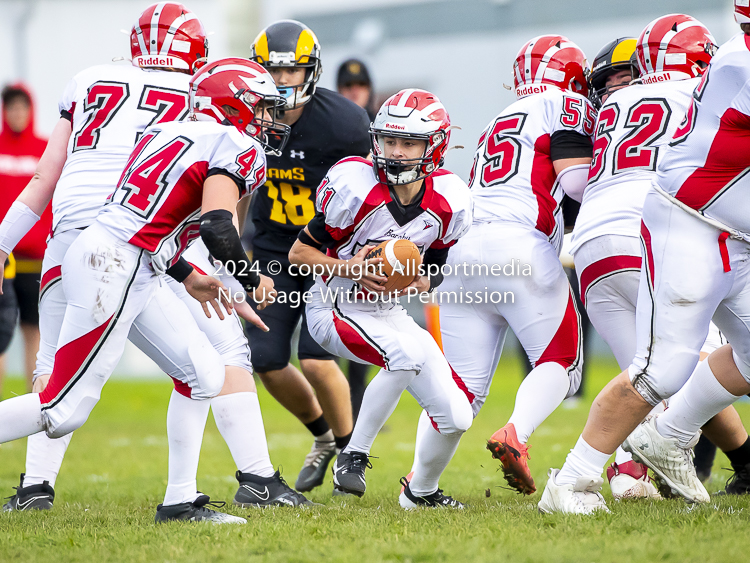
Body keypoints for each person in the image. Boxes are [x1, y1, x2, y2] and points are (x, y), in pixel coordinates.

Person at [0, 4, 306, 522]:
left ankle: (179, 501)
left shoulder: (153, 122)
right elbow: (213, 224)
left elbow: (147, 223)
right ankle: (232, 481)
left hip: (107, 248)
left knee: (201, 373)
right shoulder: (221, 134)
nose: (270, 118)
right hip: (114, 264)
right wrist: (249, 280)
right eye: (259, 107)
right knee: (60, 409)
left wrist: (193, 277)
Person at [537, 11, 750, 514]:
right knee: (661, 368)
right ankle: (571, 481)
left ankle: (670, 435)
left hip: (695, 231)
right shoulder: (735, 63)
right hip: (690, 223)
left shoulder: (694, 74)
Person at [290, 88, 474, 507]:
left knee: (456, 417)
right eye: (389, 140)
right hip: (333, 304)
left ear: (435, 146)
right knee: (404, 357)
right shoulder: (355, 185)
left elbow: (436, 265)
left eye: (408, 143)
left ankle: (420, 493)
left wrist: (422, 282)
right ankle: (352, 454)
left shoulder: (449, 199)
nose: (395, 151)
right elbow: (299, 253)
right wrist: (350, 267)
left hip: (387, 312)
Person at [434, 35, 593, 497]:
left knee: (460, 390)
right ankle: (517, 433)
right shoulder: (564, 103)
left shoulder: (496, 120)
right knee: (561, 363)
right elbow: (577, 181)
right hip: (519, 246)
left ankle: (419, 487)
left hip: (464, 252)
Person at [248, 20, 371, 492]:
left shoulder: (344, 123)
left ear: (311, 72)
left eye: (291, 72)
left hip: (328, 252)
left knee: (318, 360)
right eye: (271, 72)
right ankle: (322, 437)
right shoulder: (245, 113)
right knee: (266, 360)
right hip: (274, 252)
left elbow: (372, 192)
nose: (280, 83)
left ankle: (348, 453)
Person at [0, 84, 51, 392]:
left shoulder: (46, 149)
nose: (17, 113)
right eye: (11, 108)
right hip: (4, 259)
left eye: (22, 107)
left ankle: (35, 403)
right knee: (0, 334)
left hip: (35, 259)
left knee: (34, 331)